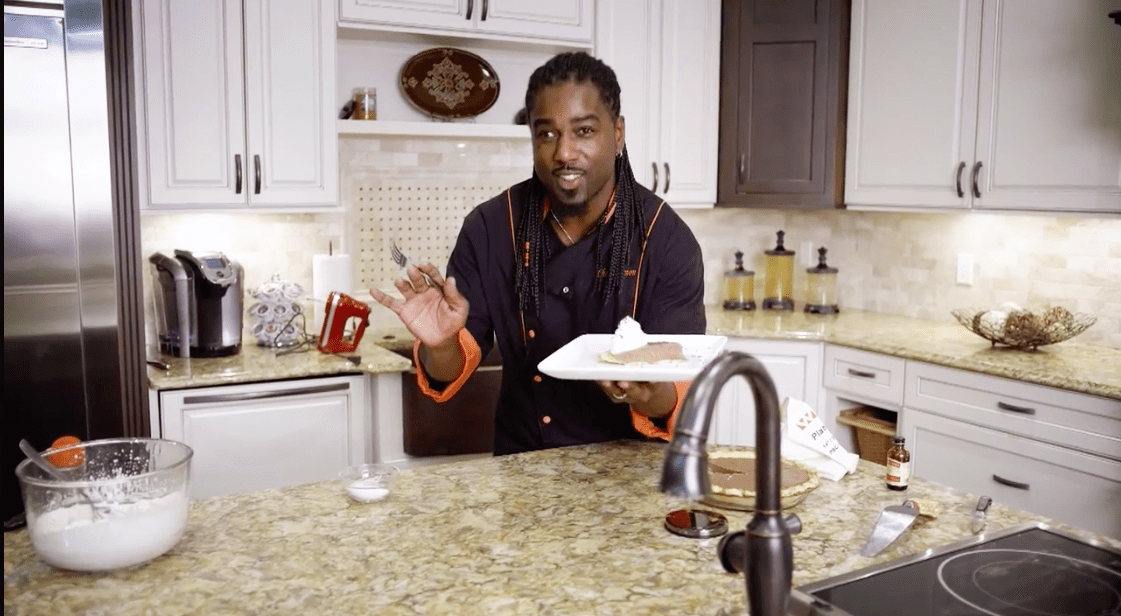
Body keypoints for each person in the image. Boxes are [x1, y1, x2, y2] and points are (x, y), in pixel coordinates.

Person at [370, 52, 705, 455]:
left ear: (617, 134)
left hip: (629, 472)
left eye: (583, 131)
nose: (564, 152)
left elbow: (678, 394)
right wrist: (441, 344)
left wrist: (643, 392)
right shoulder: (491, 228)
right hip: (523, 468)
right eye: (547, 134)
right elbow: (450, 371)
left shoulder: (665, 240)